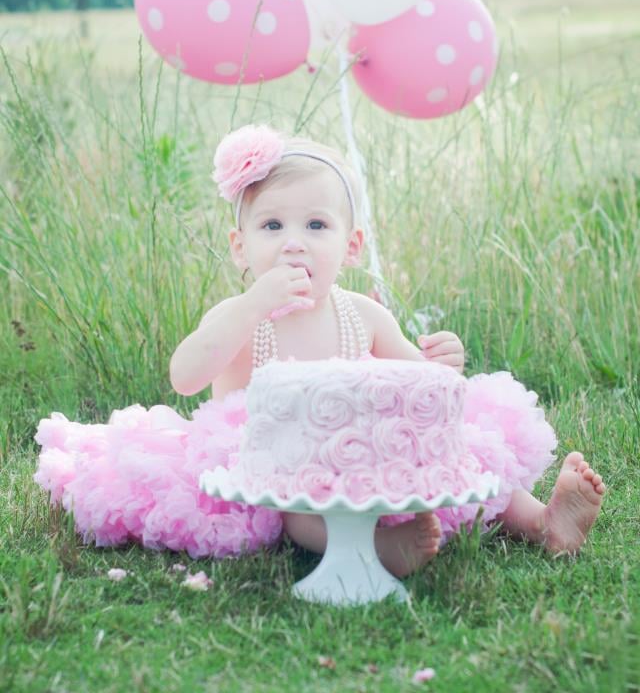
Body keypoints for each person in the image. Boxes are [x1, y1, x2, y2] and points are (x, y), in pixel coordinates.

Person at [34, 124, 605, 573]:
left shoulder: (363, 314)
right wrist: (251, 305)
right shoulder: (239, 320)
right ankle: (379, 549)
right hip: (271, 461)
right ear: (240, 247)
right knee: (293, 511)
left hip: (363, 448)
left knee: (471, 444)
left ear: (350, 245)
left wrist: (442, 363)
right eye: (272, 226)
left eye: (315, 225)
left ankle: (543, 522)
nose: (293, 243)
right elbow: (185, 376)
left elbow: (426, 390)